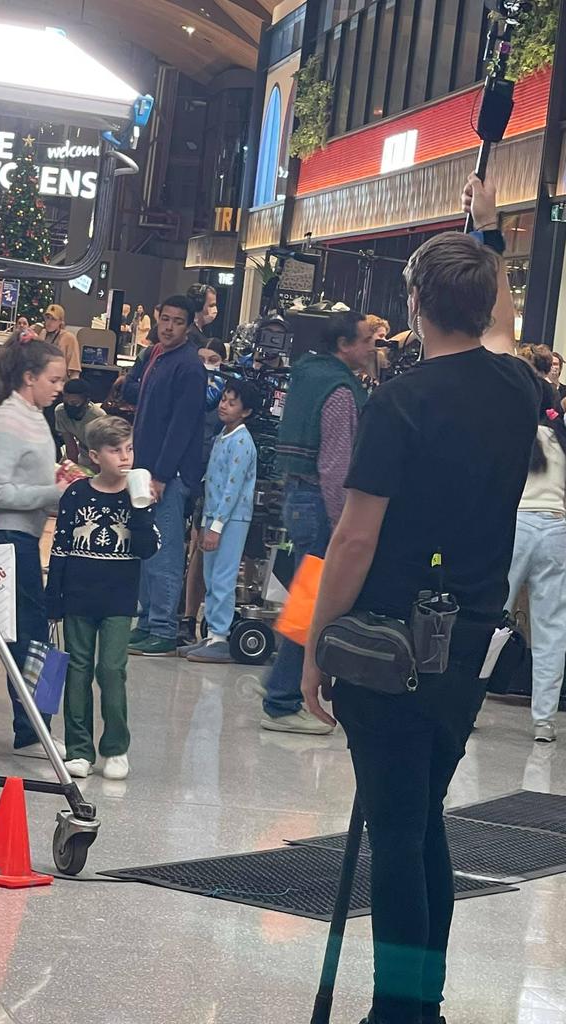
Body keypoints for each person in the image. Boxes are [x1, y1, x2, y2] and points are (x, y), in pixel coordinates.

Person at [300, 174, 538, 1024]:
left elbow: (356, 539)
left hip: (390, 640)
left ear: (414, 302)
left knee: (397, 834)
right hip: (471, 637)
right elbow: (500, 330)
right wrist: (485, 233)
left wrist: (313, 645)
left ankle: (401, 1011)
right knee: (420, 817)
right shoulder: (516, 388)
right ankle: (421, 1002)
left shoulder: (399, 404)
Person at [260, 311, 374, 735]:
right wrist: (346, 520)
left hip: (296, 494)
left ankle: (279, 683)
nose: (372, 348)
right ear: (344, 345)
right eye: (366, 341)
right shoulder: (340, 389)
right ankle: (282, 699)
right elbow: (336, 463)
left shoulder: (307, 373)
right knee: (314, 599)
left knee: (305, 594)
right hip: (319, 500)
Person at [0, 331, 83, 756]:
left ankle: (32, 725)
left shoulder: (34, 416)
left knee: (2, 633)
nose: (60, 387)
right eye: (54, 379)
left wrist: (56, 477)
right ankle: (33, 727)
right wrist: (51, 493)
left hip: (24, 537)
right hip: (9, 538)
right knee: (29, 634)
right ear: (29, 377)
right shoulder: (9, 420)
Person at [45, 416, 159, 780]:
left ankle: (116, 747)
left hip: (119, 598)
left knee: (111, 669)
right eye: (115, 450)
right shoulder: (77, 495)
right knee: (77, 670)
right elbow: (61, 546)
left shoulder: (138, 493)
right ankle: (79, 748)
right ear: (95, 455)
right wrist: (54, 598)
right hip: (79, 595)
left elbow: (147, 550)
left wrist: (141, 509)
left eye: (129, 449)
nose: (124, 457)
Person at [129, 295, 206, 656]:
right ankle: (146, 622)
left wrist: (161, 474)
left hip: (168, 476)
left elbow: (182, 426)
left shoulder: (189, 366)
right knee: (145, 548)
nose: (169, 326)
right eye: (165, 318)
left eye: (178, 321)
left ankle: (163, 627)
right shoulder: (158, 356)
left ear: (189, 326)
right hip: (146, 470)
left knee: (165, 551)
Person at [181, 380, 259, 664]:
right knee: (210, 576)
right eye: (224, 399)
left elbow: (232, 488)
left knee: (224, 577)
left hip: (232, 518)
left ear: (246, 411)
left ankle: (221, 635)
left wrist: (216, 526)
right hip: (214, 516)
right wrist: (205, 522)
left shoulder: (242, 442)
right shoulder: (221, 436)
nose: (224, 406)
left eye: (232, 402)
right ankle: (212, 634)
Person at [505, 379, 566, 742]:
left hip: (517, 524)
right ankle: (544, 720)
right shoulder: (561, 436)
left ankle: (471, 700)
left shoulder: (515, 432)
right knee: (552, 627)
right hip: (557, 527)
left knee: (494, 618)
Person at [178, 338, 228, 647]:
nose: (206, 363)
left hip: (218, 476)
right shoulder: (192, 386)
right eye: (202, 358)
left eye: (212, 358)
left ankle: (214, 617)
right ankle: (186, 615)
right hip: (194, 472)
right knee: (195, 545)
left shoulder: (225, 391)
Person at [54, 378, 106, 470]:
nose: (69, 406)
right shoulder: (61, 412)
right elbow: (70, 446)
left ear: (86, 402)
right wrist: (72, 472)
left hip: (101, 459)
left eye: (74, 403)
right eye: (66, 402)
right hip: (83, 457)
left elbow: (103, 450)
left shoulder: (98, 417)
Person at [40, 303, 81, 378]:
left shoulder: (69, 338)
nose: (49, 322)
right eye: (47, 318)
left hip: (60, 383)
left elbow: (74, 371)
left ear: (60, 321)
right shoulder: (42, 334)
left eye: (53, 319)